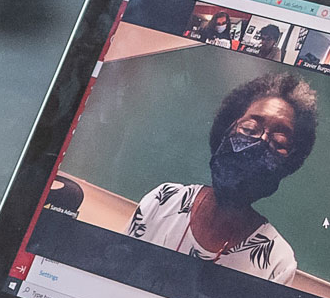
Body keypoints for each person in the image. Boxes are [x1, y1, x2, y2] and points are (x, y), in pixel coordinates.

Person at [125, 71, 320, 282]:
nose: (259, 144)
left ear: (289, 164)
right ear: (224, 131)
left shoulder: (277, 262)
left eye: (279, 142)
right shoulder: (164, 200)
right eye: (249, 128)